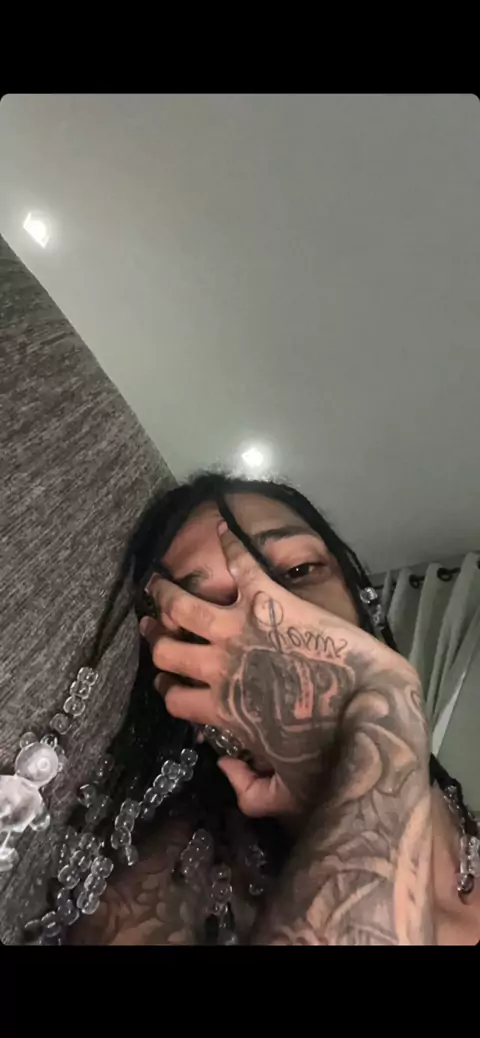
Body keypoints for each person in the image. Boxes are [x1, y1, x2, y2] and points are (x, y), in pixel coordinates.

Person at [68, 473, 480, 946]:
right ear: (182, 695)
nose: (272, 624)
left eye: (298, 571)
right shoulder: (167, 897)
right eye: (205, 613)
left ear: (362, 601)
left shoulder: (465, 828)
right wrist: (382, 708)